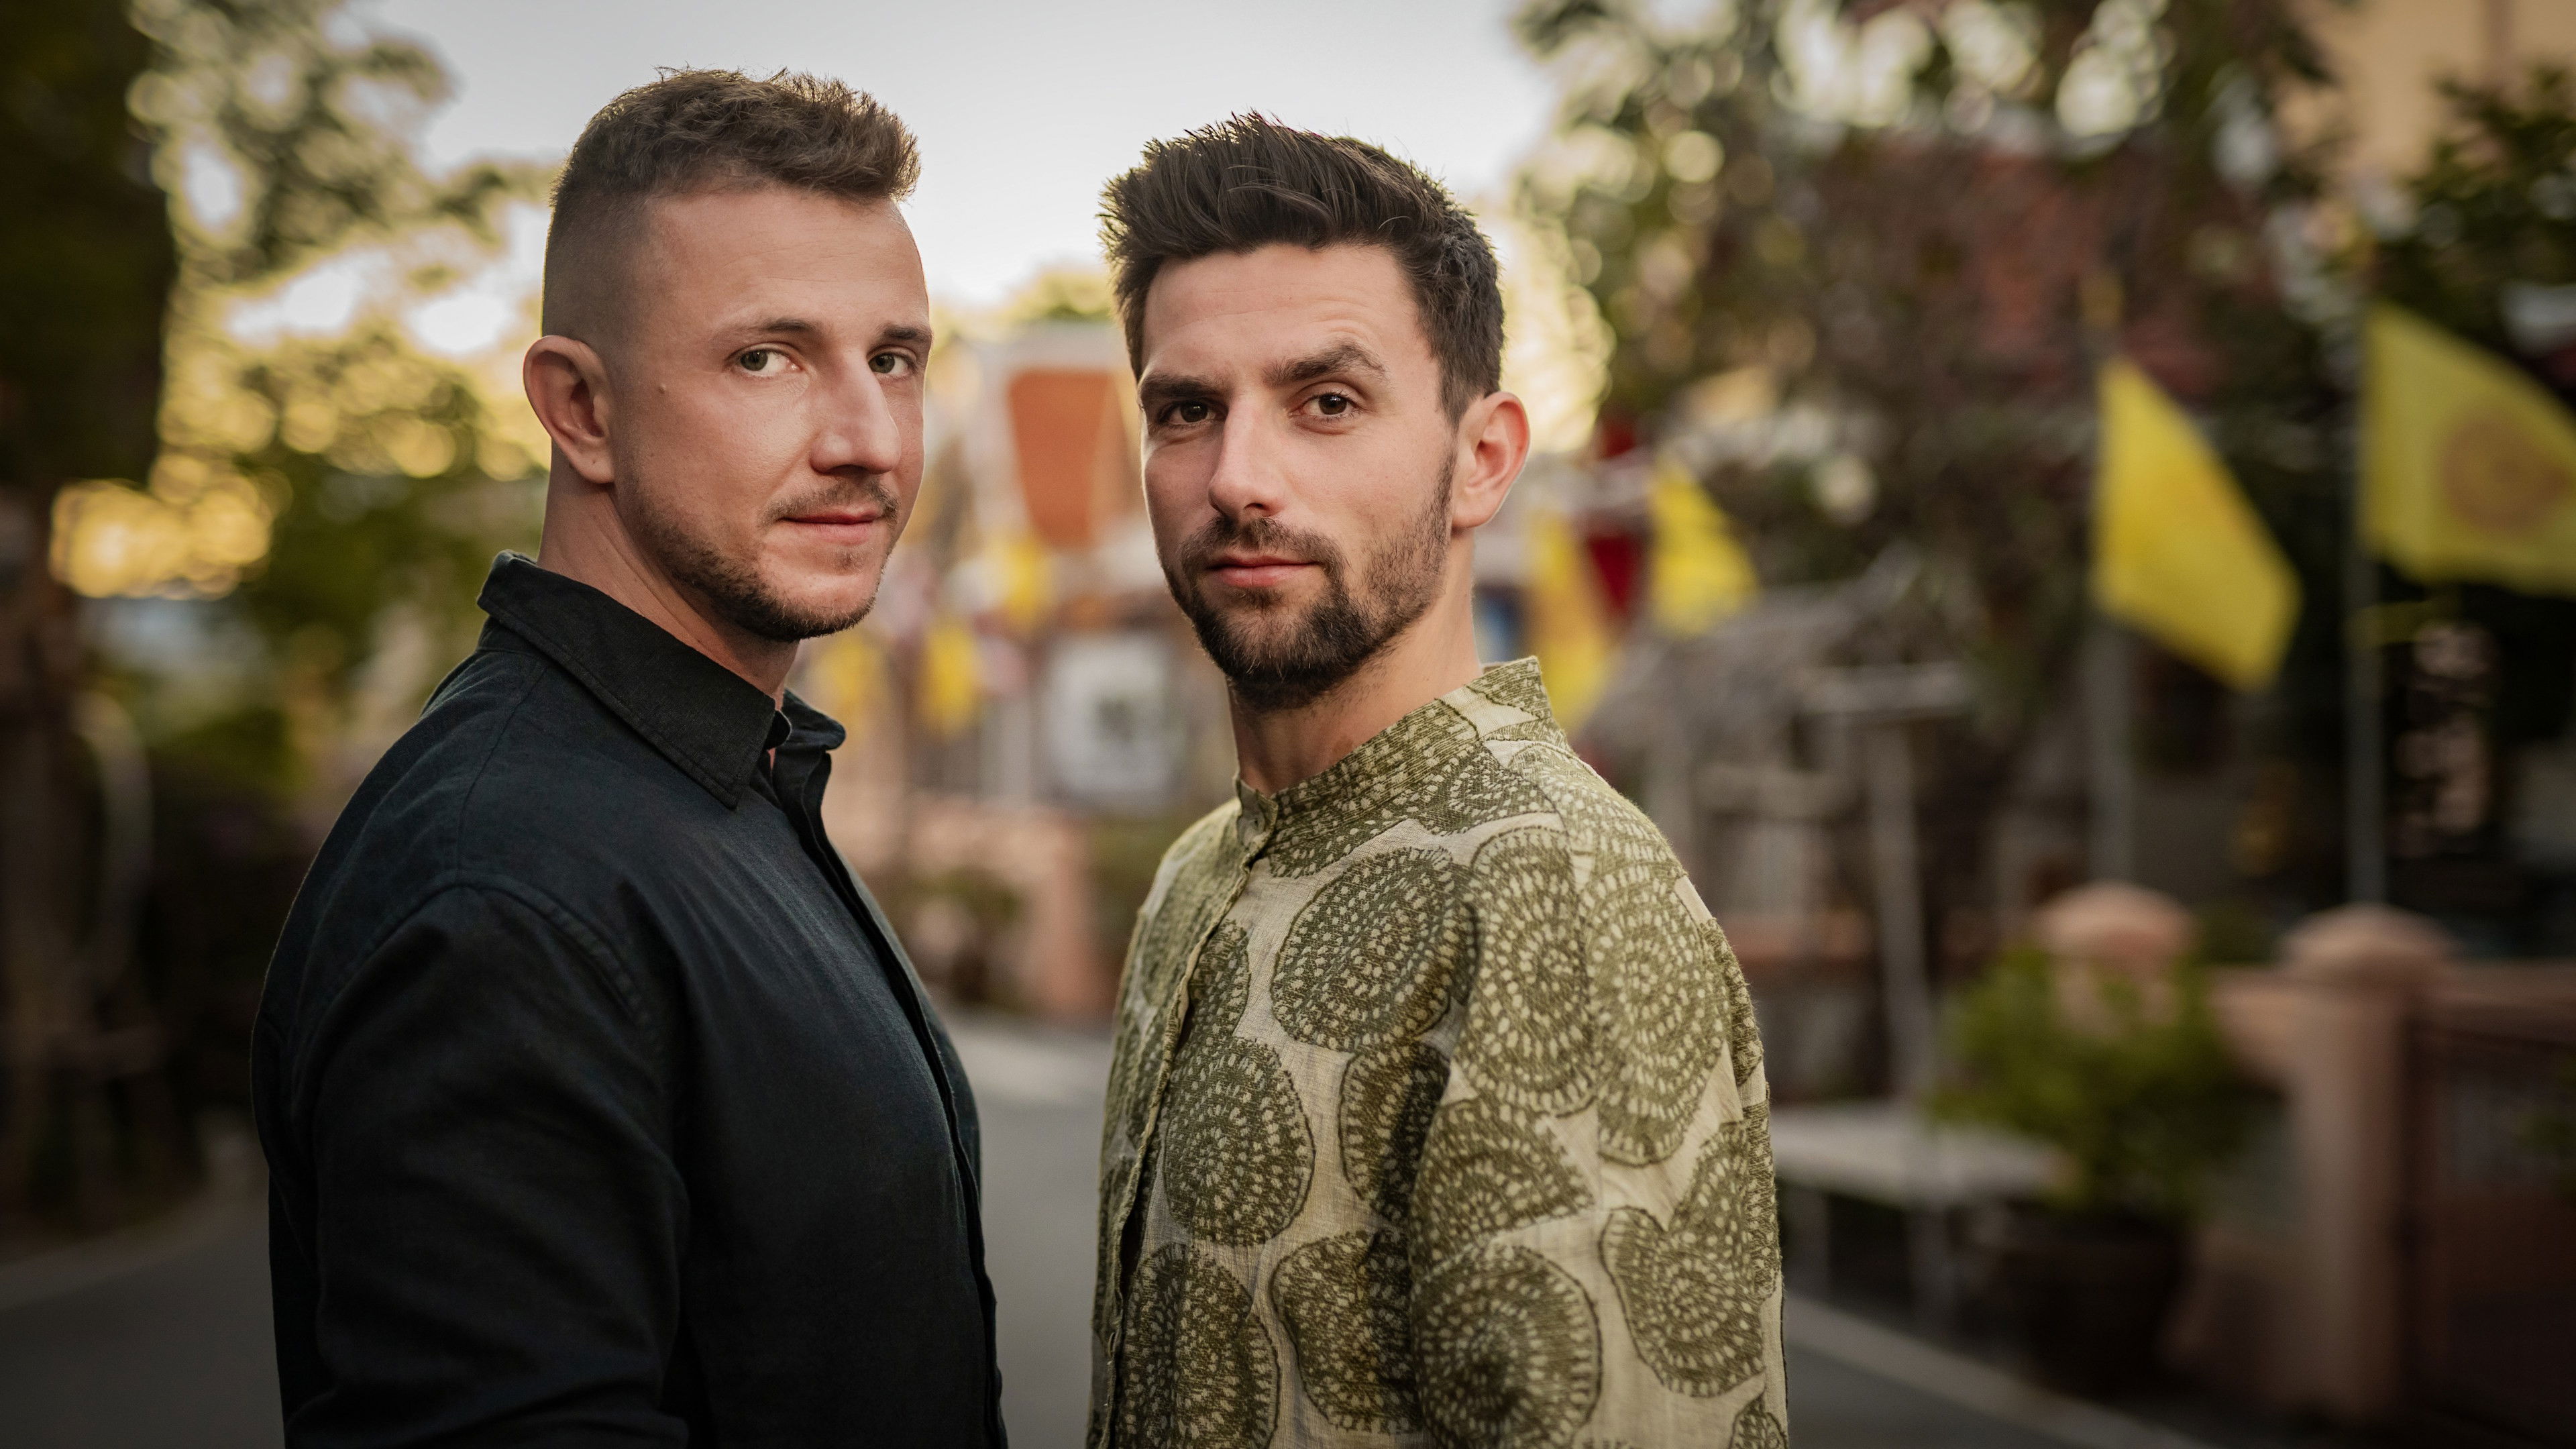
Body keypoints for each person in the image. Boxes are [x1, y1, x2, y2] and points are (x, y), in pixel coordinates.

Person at [253, 70, 1004, 1445]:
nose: (868, 441)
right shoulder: (506, 899)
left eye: (895, 359)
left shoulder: (720, 787)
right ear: (580, 410)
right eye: (766, 358)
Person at [1085, 117, 1786, 1449]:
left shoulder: (1551, 889)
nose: (1238, 478)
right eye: (1188, 411)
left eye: (1327, 402)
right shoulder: (1198, 875)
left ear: (1483, 461)